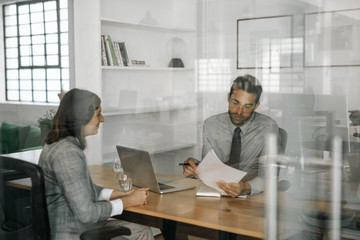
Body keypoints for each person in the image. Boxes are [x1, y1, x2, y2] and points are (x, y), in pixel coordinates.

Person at [38, 88, 154, 240]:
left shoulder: (59, 144)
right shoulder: (67, 153)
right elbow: (87, 213)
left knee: (142, 231)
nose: (102, 119)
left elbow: (79, 190)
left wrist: (117, 193)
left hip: (73, 224)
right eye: (98, 114)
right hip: (72, 232)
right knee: (141, 234)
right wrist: (127, 201)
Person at [183, 75, 280, 197]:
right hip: (216, 193)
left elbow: (270, 176)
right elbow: (209, 169)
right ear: (228, 98)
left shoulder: (267, 127)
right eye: (235, 102)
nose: (239, 112)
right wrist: (195, 167)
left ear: (256, 105)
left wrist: (247, 188)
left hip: (250, 198)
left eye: (247, 106)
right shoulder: (211, 125)